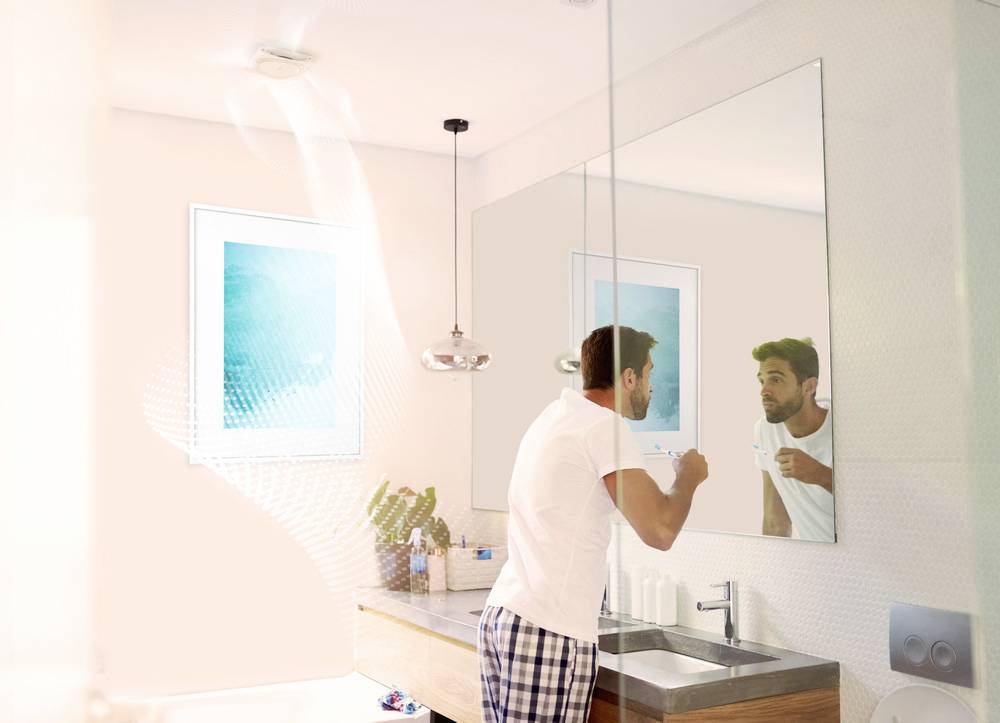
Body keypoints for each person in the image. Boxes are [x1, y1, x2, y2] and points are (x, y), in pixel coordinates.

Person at [478, 325, 709, 722]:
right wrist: (688, 477)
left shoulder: (553, 417)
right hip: (549, 629)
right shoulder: (605, 427)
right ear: (629, 377)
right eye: (649, 373)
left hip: (506, 615)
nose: (651, 386)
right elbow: (660, 531)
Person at [752, 337, 834, 541]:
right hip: (812, 557)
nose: (764, 391)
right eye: (762, 381)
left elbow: (879, 501)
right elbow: (775, 522)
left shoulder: (846, 427)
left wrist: (821, 475)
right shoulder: (765, 430)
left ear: (809, 387)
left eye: (776, 379)